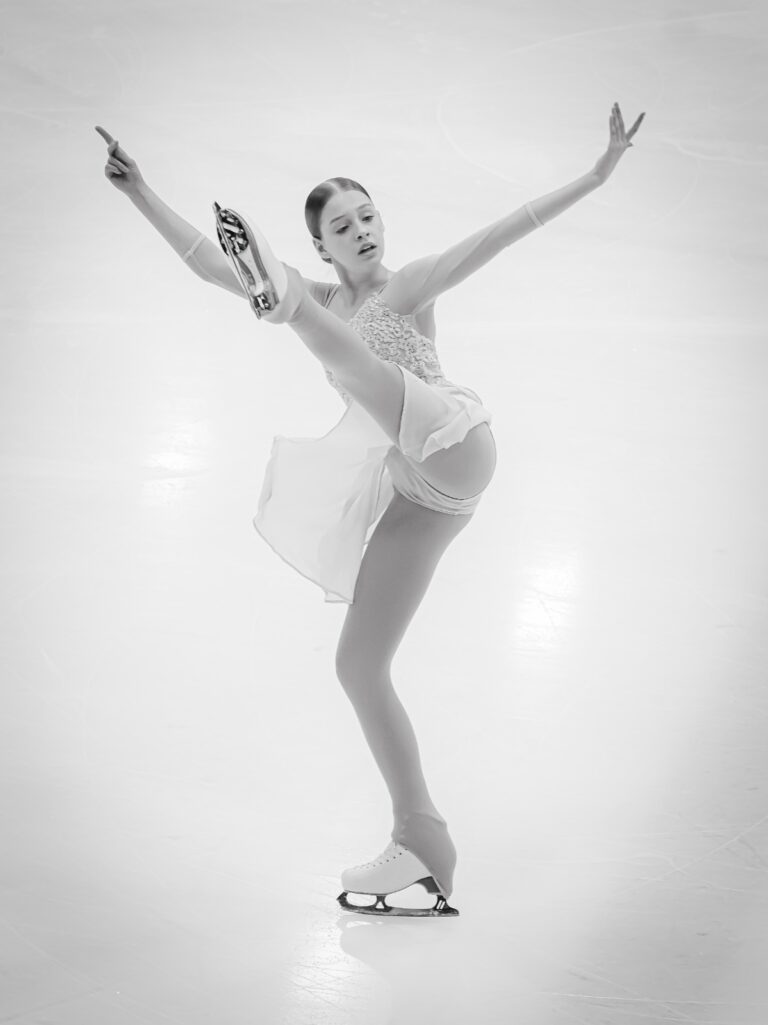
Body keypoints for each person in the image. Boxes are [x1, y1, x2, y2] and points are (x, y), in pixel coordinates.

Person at [95, 103, 645, 916]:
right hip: (424, 489)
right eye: (341, 227)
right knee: (358, 664)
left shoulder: (407, 285)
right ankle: (422, 837)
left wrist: (597, 173)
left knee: (351, 354)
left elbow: (500, 234)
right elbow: (210, 263)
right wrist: (138, 190)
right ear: (320, 247)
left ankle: (280, 307)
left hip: (455, 437)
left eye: (367, 216)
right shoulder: (330, 295)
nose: (361, 231)